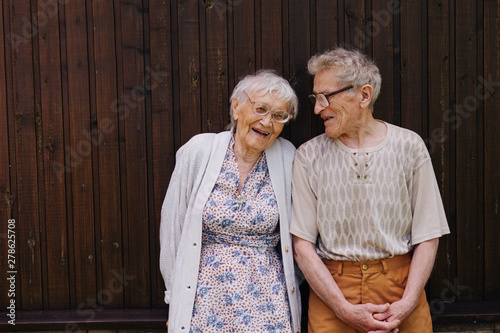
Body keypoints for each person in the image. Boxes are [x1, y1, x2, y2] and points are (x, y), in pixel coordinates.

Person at [290, 47, 450, 333]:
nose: (317, 108)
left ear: (364, 95)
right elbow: (302, 247)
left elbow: (428, 234)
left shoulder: (409, 146)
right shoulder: (308, 156)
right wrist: (344, 309)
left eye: (326, 97)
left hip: (401, 293)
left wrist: (407, 303)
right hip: (332, 295)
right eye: (316, 99)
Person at [160, 70, 302, 332]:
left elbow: (300, 236)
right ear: (236, 107)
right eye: (260, 108)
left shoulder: (288, 157)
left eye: (279, 115)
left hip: (267, 303)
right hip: (202, 301)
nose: (267, 122)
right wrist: (175, 301)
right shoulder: (199, 150)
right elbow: (172, 231)